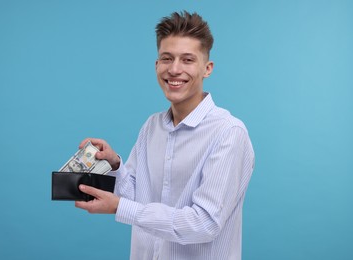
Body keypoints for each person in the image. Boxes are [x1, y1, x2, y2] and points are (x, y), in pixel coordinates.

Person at [75, 11, 255, 260]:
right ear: (156, 65)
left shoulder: (228, 133)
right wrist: (114, 164)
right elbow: (136, 198)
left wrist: (119, 207)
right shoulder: (151, 127)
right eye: (167, 58)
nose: (175, 69)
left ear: (207, 68)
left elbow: (204, 223)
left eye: (188, 60)